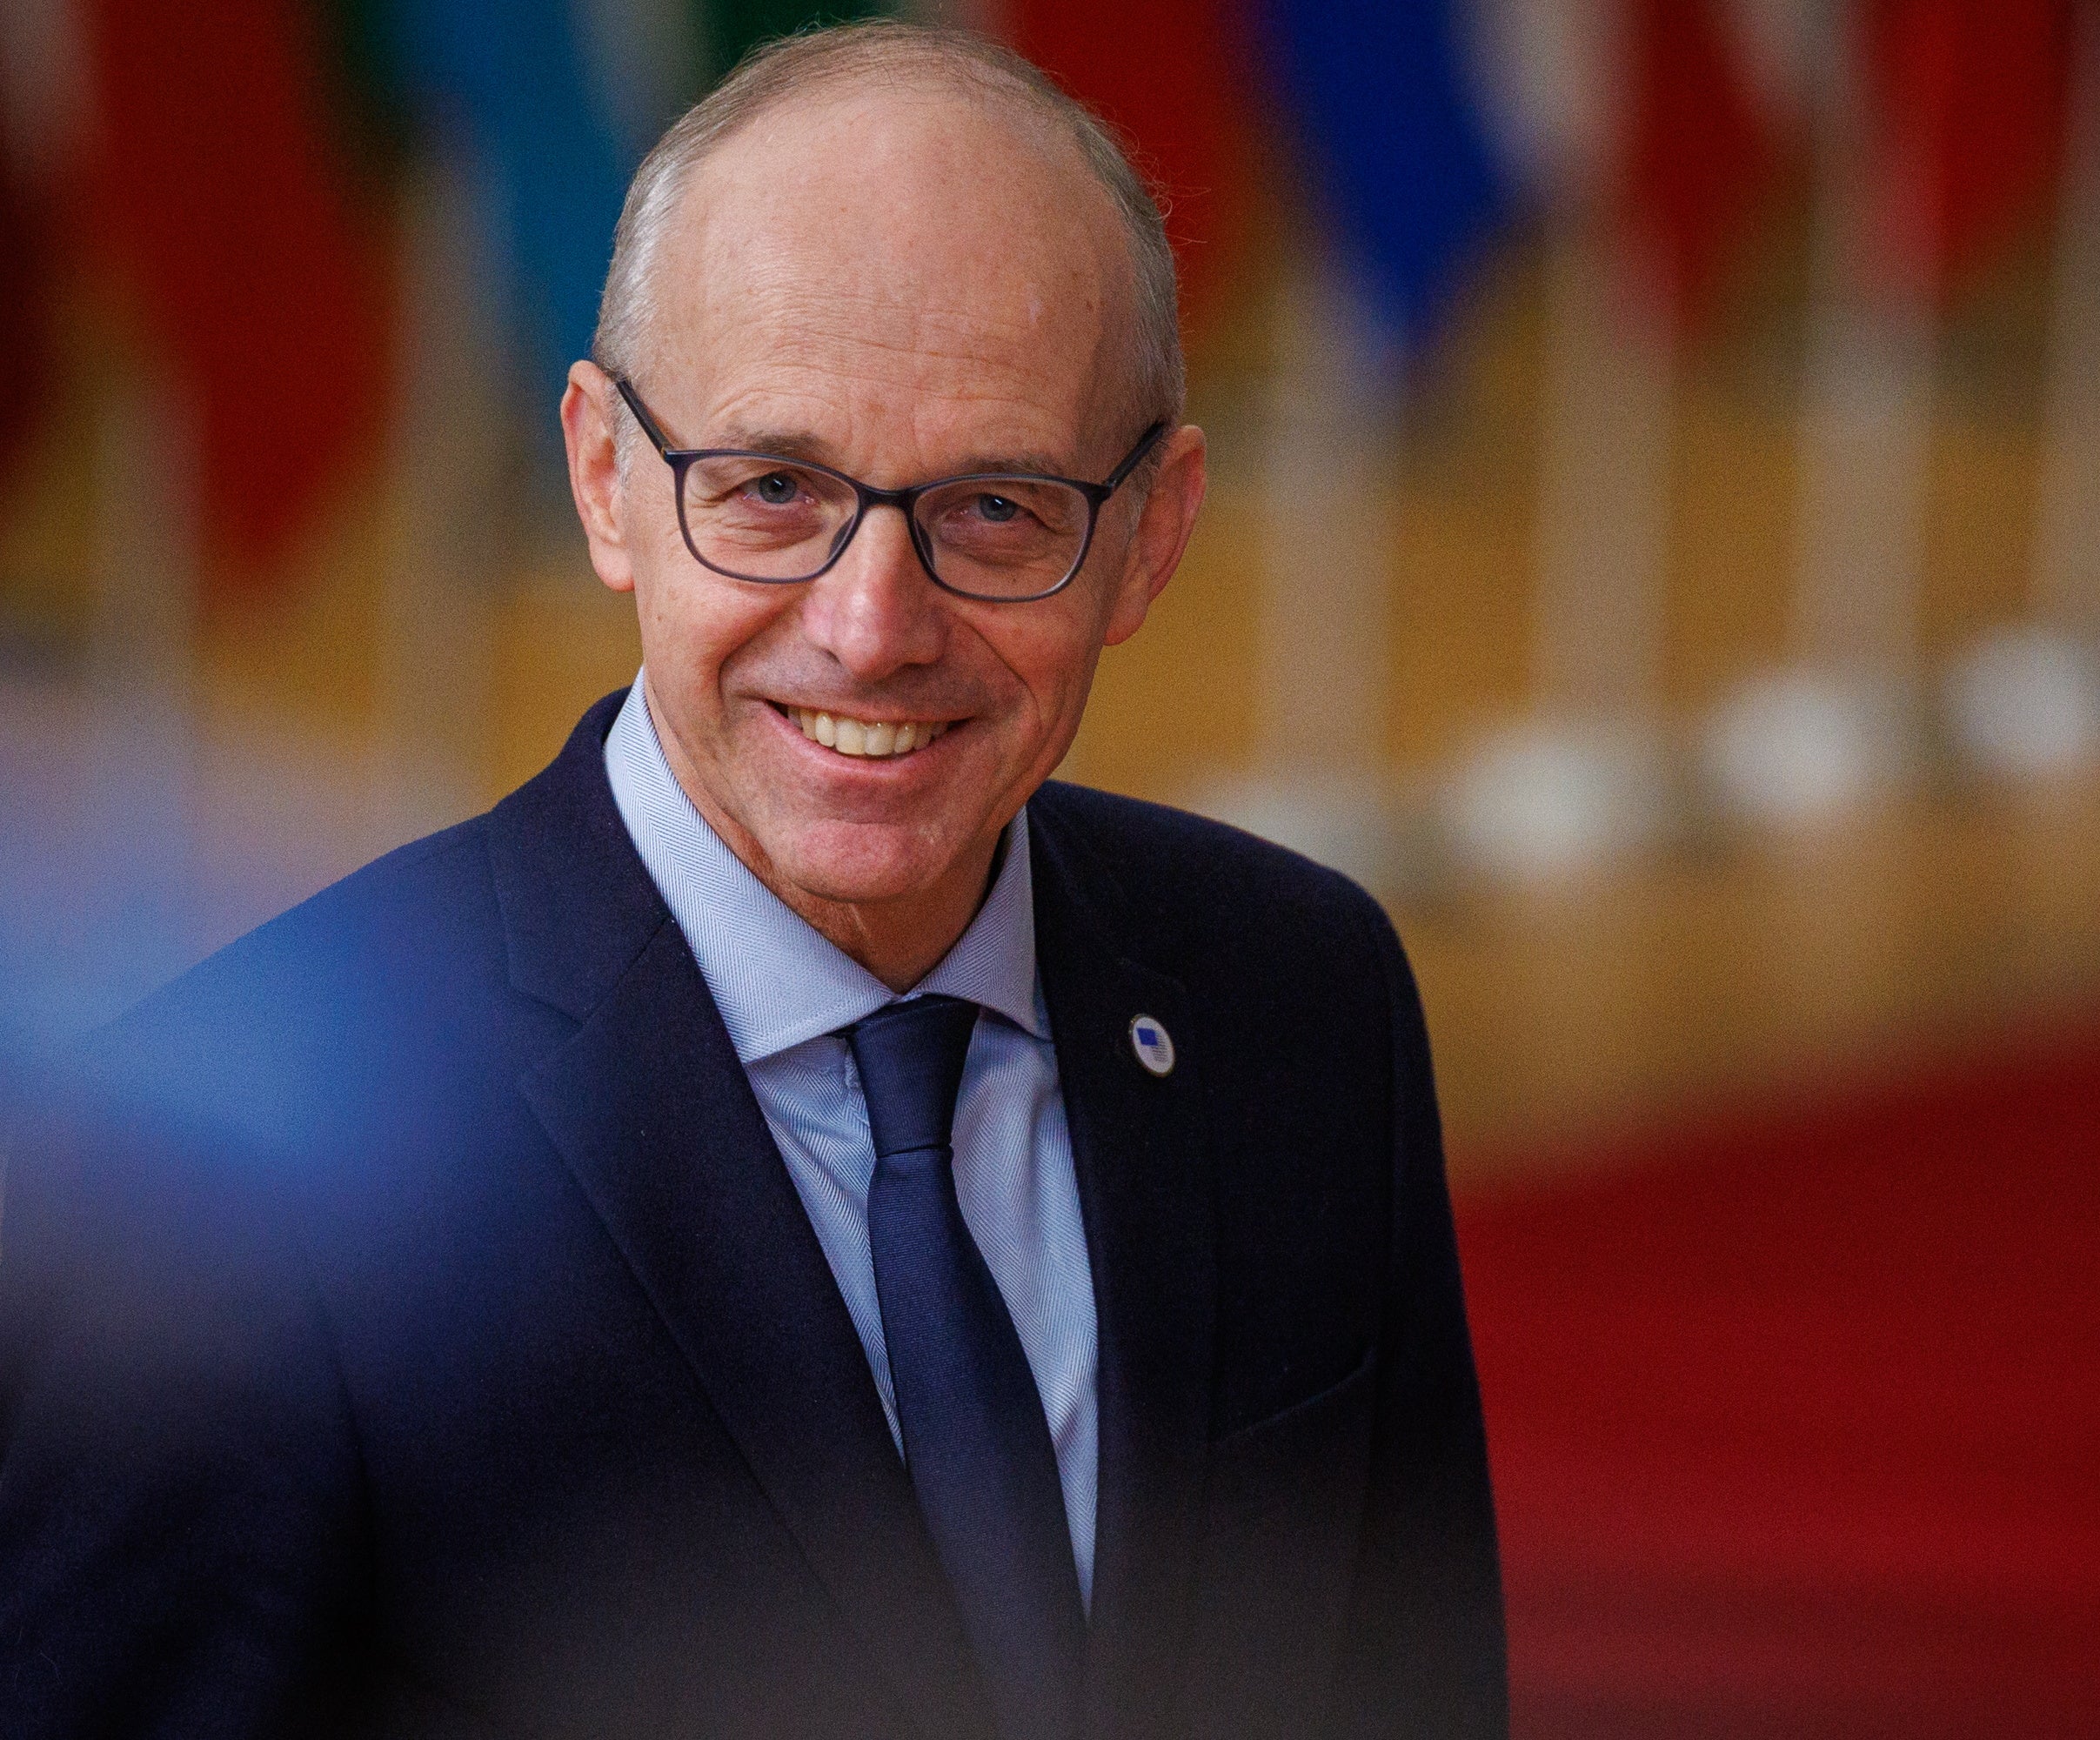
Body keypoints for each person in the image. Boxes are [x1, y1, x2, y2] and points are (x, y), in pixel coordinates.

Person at [0, 23, 1504, 1739]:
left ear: (1149, 535)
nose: (873, 626)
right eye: (774, 490)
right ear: (603, 478)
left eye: (996, 507)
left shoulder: (1299, 1006)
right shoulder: (246, 1189)